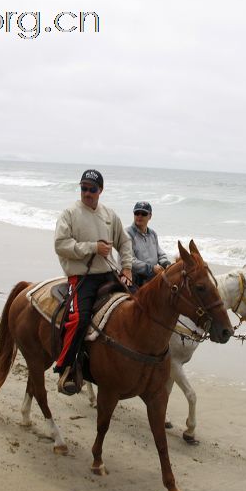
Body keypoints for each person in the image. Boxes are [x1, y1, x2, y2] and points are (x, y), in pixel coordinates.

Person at [53, 169, 133, 395]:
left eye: (92, 189)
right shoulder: (69, 213)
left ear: (101, 191)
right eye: (83, 188)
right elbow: (60, 244)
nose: (87, 193)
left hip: (108, 273)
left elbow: (125, 243)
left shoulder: (109, 215)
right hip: (82, 276)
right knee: (80, 318)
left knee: (135, 304)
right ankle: (66, 367)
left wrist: (126, 267)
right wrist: (92, 247)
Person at [126, 201, 171, 287]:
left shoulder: (153, 234)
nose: (139, 216)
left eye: (143, 213)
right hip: (135, 278)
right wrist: (152, 268)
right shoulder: (127, 233)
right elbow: (130, 260)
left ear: (150, 216)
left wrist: (166, 264)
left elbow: (160, 254)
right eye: (137, 213)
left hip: (152, 276)